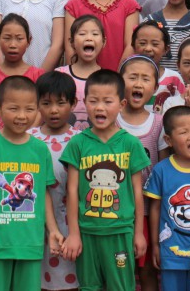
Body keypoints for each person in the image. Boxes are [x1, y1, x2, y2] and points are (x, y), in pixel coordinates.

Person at [0, 76, 62, 288]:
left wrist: (53, 230)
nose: (22, 116)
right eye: (13, 108)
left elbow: (44, 193)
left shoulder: (40, 149)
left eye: (29, 109)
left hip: (30, 243)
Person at [60, 69, 152, 291]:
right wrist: (73, 234)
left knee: (121, 286)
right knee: (89, 286)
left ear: (121, 104)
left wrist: (138, 232)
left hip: (121, 231)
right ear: (85, 102)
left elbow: (137, 192)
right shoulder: (77, 144)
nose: (100, 107)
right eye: (93, 101)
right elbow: (72, 191)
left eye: (107, 101)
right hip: (87, 231)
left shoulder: (130, 144)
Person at [146, 106, 190, 291]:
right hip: (171, 253)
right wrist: (156, 245)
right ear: (168, 140)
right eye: (183, 132)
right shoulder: (161, 170)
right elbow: (155, 208)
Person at [29, 71, 81, 291]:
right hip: (34, 222)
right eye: (46, 103)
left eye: (61, 103)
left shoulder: (81, 140)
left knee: (71, 275)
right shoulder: (29, 138)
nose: (53, 110)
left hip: (71, 222)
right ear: (38, 104)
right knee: (36, 278)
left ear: (73, 103)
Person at [117, 55, 165, 291]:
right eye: (132, 77)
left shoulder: (159, 122)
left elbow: (164, 170)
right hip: (116, 212)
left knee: (147, 270)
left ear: (155, 87)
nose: (138, 84)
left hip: (148, 211)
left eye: (145, 79)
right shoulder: (110, 122)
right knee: (118, 268)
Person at [55, 14, 105, 129]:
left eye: (95, 34)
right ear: (71, 42)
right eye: (82, 34)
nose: (89, 38)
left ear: (104, 41)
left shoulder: (107, 79)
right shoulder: (60, 74)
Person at [0, 14, 44, 96]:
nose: (13, 45)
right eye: (7, 38)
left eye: (19, 39)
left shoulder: (38, 76)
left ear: (29, 41)